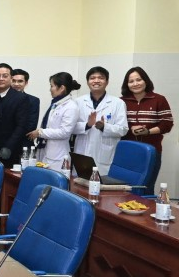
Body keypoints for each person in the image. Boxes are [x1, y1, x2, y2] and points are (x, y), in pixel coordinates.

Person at [120, 66, 174, 195]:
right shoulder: (121, 101)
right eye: (131, 81)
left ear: (146, 80)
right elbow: (118, 124)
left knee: (146, 187)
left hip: (152, 151)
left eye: (139, 80)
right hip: (127, 150)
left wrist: (148, 132)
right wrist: (130, 128)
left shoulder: (159, 99)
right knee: (125, 188)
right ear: (127, 84)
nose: (135, 84)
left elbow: (167, 124)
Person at [72, 66, 128, 175]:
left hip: (105, 157)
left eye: (101, 78)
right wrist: (87, 125)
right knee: (80, 183)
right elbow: (70, 128)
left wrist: (104, 127)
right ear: (88, 82)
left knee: (102, 183)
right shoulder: (78, 102)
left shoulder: (118, 103)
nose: (96, 81)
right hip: (82, 154)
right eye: (92, 78)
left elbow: (123, 130)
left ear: (107, 82)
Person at [27, 72, 80, 171]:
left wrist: (40, 132)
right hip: (46, 150)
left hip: (58, 156)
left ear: (62, 88)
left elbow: (65, 132)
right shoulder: (56, 104)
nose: (50, 89)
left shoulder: (71, 107)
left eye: (52, 86)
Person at [0, 63, 29, 168]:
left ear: (11, 78)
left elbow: (21, 126)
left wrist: (8, 147)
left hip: (8, 149)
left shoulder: (20, 98)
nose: (1, 79)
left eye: (5, 76)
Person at [11, 69, 40, 150]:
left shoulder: (33, 100)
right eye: (13, 81)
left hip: (23, 144)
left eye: (20, 81)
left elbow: (31, 126)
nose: (16, 84)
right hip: (1, 143)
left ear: (26, 83)